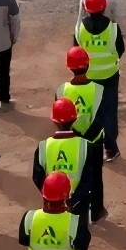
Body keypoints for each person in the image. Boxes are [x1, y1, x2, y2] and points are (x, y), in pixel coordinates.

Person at [36, 94, 105, 224]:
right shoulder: (85, 146)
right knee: (78, 229)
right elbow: (90, 177)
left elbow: (37, 176)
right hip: (79, 202)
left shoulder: (43, 146)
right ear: (75, 118)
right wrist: (74, 200)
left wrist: (50, 192)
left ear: (54, 121)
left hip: (53, 202)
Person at [74, 0, 125, 160]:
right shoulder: (113, 28)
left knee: (90, 112)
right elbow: (120, 49)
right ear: (104, 7)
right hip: (110, 76)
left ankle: (90, 148)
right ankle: (111, 148)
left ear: (86, 8)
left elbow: (76, 53)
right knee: (110, 112)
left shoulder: (79, 28)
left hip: (88, 77)